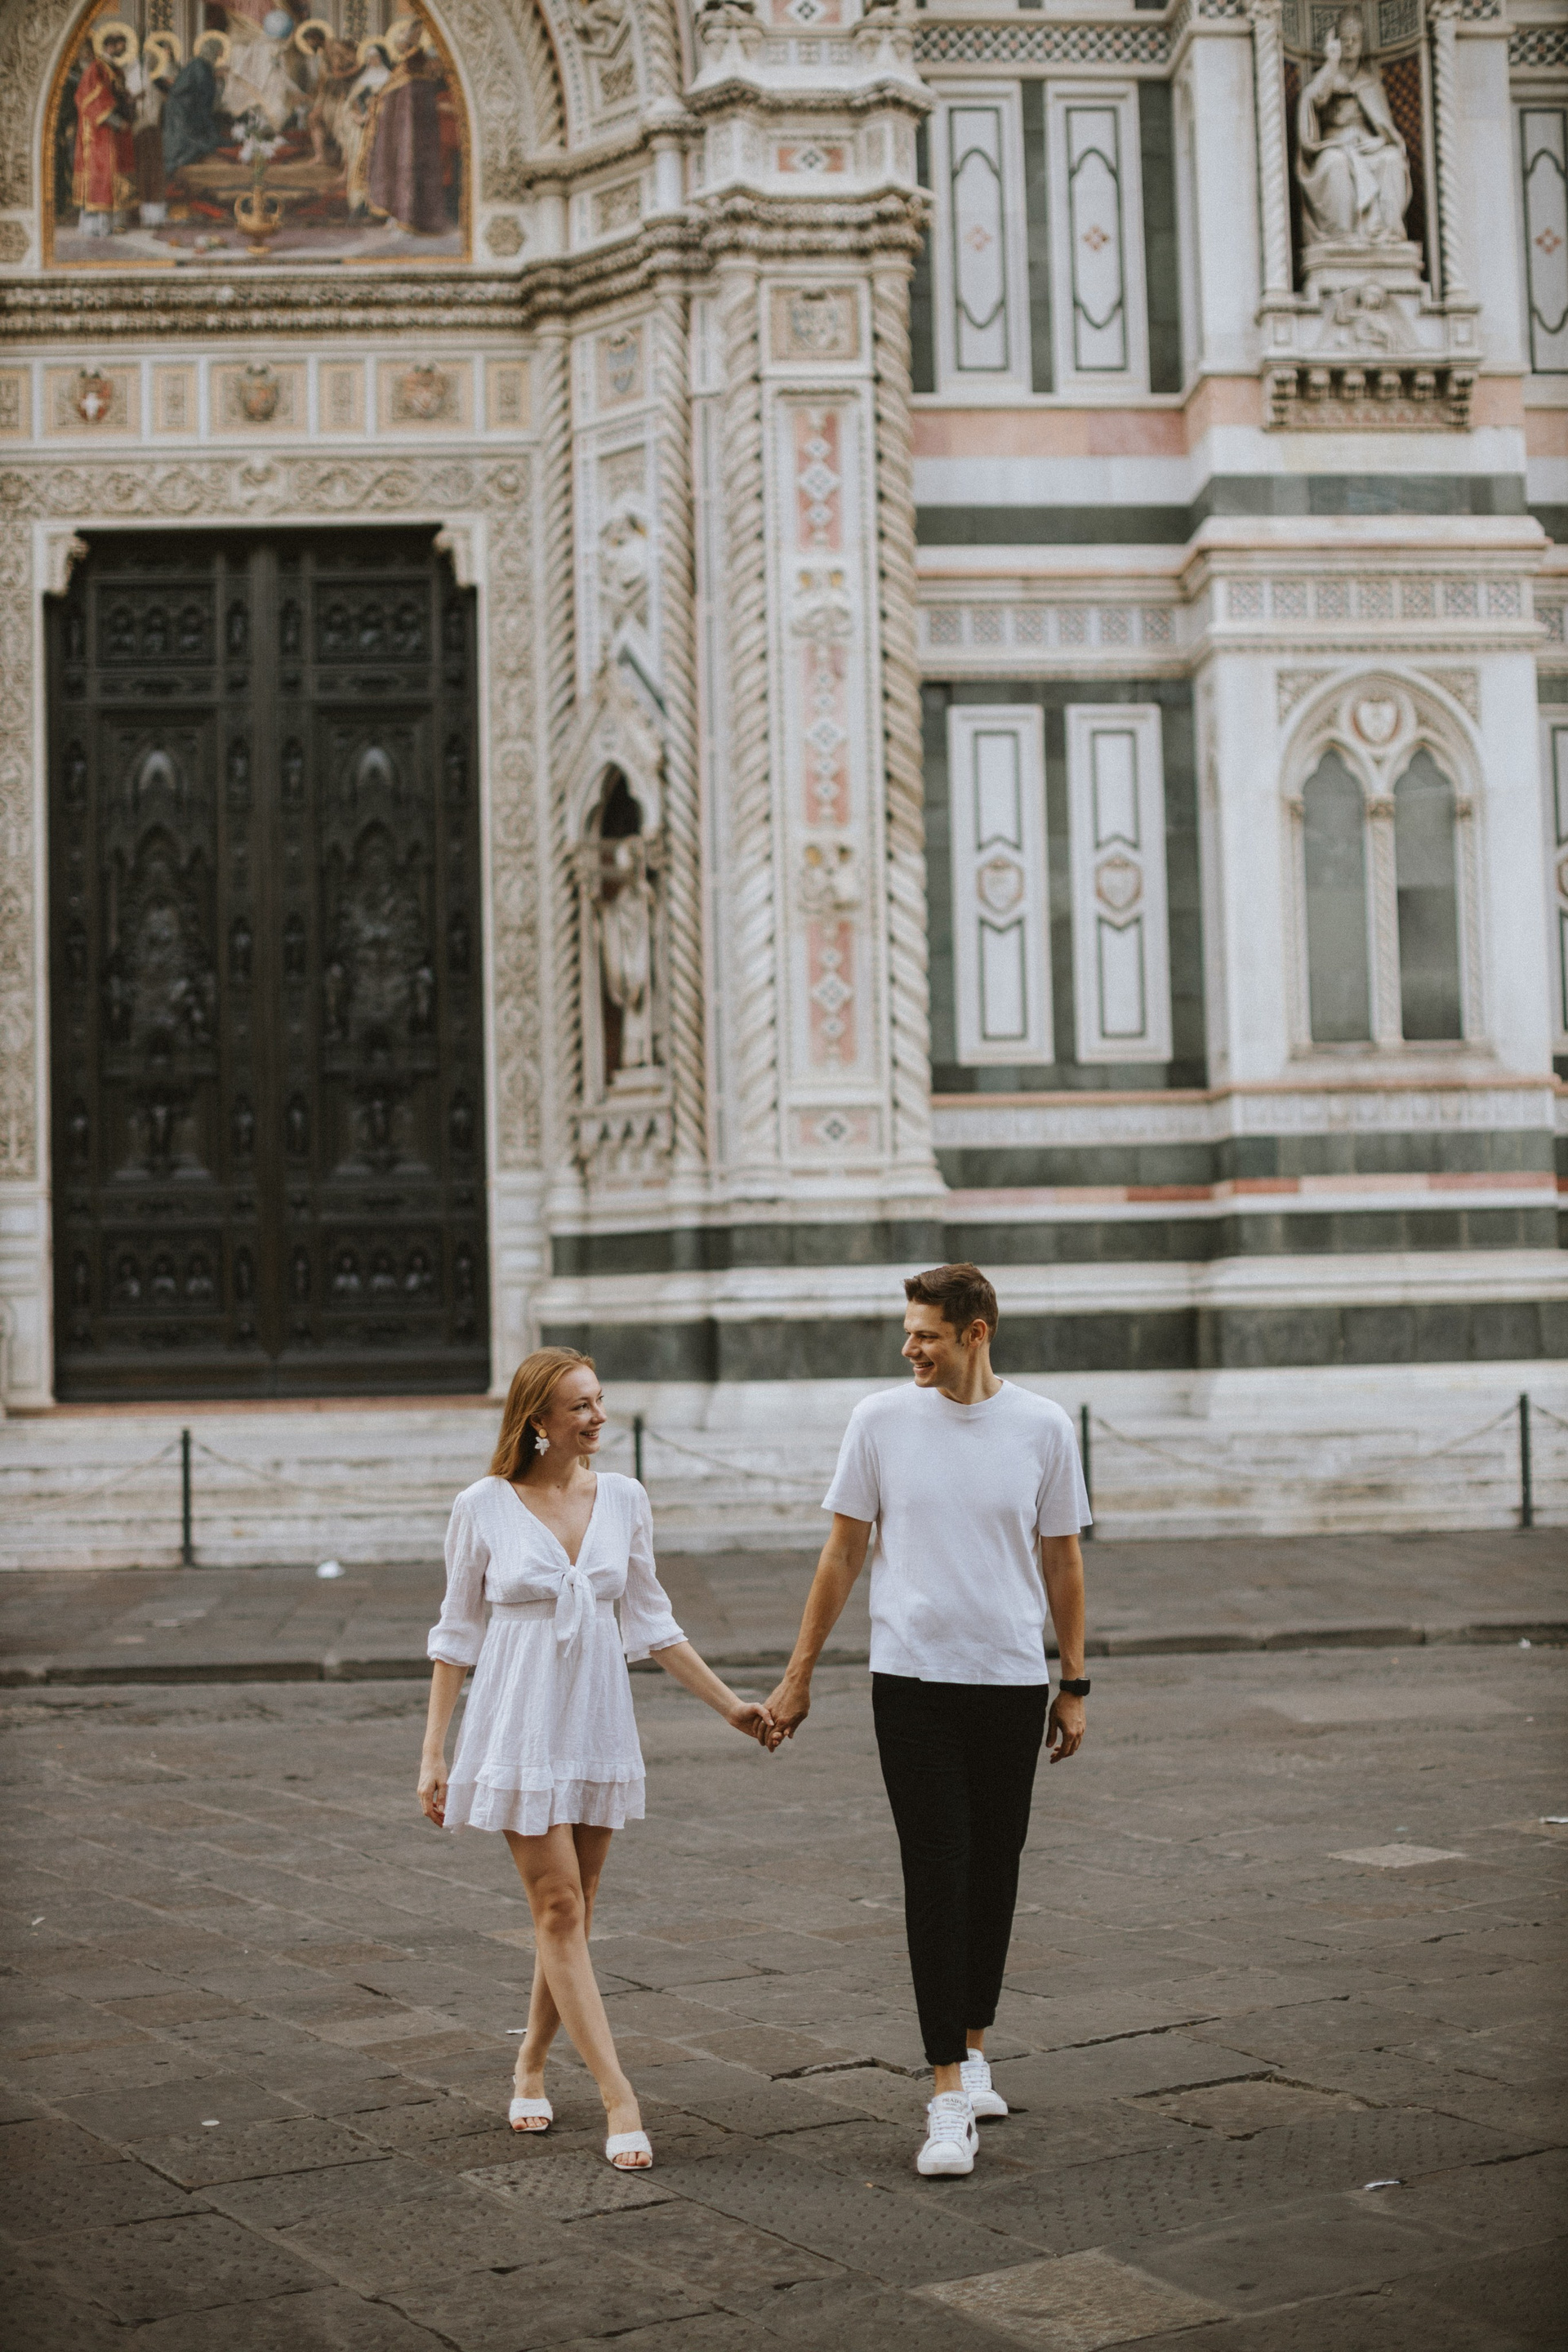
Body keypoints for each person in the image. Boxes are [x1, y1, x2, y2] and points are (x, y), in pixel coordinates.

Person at [764, 1263, 1090, 2179]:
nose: (909, 1347)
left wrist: (1073, 1682)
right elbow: (842, 1554)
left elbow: (1063, 1560)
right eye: (908, 1331)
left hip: (1009, 1682)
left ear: (975, 1333)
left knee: (994, 1870)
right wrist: (798, 1677)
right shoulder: (879, 1421)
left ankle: (974, 2045)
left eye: (926, 1335)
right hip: (910, 1683)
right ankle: (946, 2090)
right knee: (937, 1871)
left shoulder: (1043, 1426)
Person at [418, 1348, 773, 2171]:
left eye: (599, 1400)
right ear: (538, 1420)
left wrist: (732, 1709)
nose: (598, 1417)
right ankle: (620, 2097)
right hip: (517, 1724)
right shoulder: (482, 1506)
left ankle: (530, 2062)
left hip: (597, 1723)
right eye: (580, 1406)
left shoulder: (625, 1499)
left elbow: (654, 1623)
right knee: (558, 1907)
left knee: (573, 1910)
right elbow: (455, 1636)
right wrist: (434, 1753)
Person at [1297, 10, 1410, 247]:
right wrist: (1331, 62)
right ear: (1336, 41)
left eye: (1354, 39)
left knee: (1391, 159)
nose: (1349, 44)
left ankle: (1386, 232)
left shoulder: (1370, 82)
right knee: (1334, 163)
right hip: (1334, 144)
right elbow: (1313, 99)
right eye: (1344, 39)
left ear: (1362, 43)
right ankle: (1342, 235)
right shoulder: (1327, 77)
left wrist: (1381, 141)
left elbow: (1386, 128)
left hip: (1366, 146)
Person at [361, 16, 448, 234]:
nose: (399, 45)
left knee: (409, 166)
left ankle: (410, 217)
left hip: (413, 130)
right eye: (399, 41)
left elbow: (411, 96)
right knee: (397, 166)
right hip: (398, 130)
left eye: (402, 41)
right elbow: (391, 96)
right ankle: (398, 214)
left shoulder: (415, 62)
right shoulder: (404, 65)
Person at [72, 20, 138, 238]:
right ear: (110, 46)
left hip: (116, 132)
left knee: (116, 173)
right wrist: (117, 121)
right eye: (120, 46)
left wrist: (129, 105)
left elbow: (120, 95)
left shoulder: (115, 69)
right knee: (101, 175)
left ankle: (112, 223)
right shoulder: (96, 69)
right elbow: (93, 100)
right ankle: (97, 226)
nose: (123, 50)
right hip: (99, 133)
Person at [161, 32, 231, 180]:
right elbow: (202, 94)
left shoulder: (200, 64)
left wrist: (214, 75)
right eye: (219, 52)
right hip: (184, 112)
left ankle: (172, 173)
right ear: (212, 50)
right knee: (189, 144)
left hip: (184, 109)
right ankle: (171, 174)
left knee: (187, 143)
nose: (220, 56)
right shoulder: (200, 65)